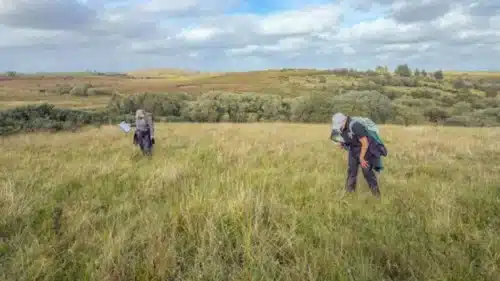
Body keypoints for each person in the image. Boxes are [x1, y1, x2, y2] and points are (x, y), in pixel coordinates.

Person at [330, 112, 386, 198]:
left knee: (367, 173)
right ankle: (349, 194)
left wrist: (361, 157)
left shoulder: (355, 126)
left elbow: (365, 143)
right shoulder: (341, 127)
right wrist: (341, 144)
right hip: (353, 150)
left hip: (365, 150)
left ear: (344, 120)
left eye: (339, 124)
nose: (339, 127)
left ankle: (377, 195)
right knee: (351, 171)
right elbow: (345, 138)